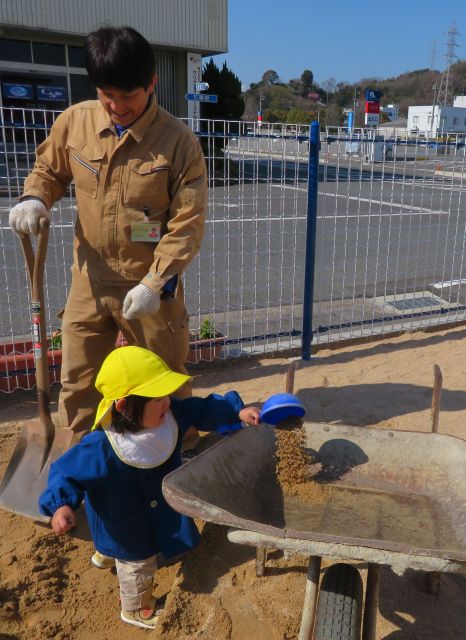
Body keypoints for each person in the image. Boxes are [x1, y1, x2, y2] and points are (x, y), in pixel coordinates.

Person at [8, 26, 207, 435]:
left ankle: (179, 460)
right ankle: (83, 464)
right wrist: (35, 197)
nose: (116, 106)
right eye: (106, 94)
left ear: (151, 84)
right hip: (90, 281)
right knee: (79, 382)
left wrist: (155, 283)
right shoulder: (75, 124)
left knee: (162, 381)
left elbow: (187, 224)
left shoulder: (179, 144)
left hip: (149, 287)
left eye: (127, 96)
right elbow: (49, 170)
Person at [39, 346, 261, 630]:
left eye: (167, 394)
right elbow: (65, 471)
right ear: (123, 406)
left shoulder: (167, 417)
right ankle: (135, 609)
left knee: (140, 541)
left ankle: (106, 554)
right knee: (137, 567)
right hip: (124, 523)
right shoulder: (101, 448)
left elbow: (201, 408)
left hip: (153, 507)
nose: (167, 402)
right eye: (158, 399)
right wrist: (61, 505)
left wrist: (236, 411)